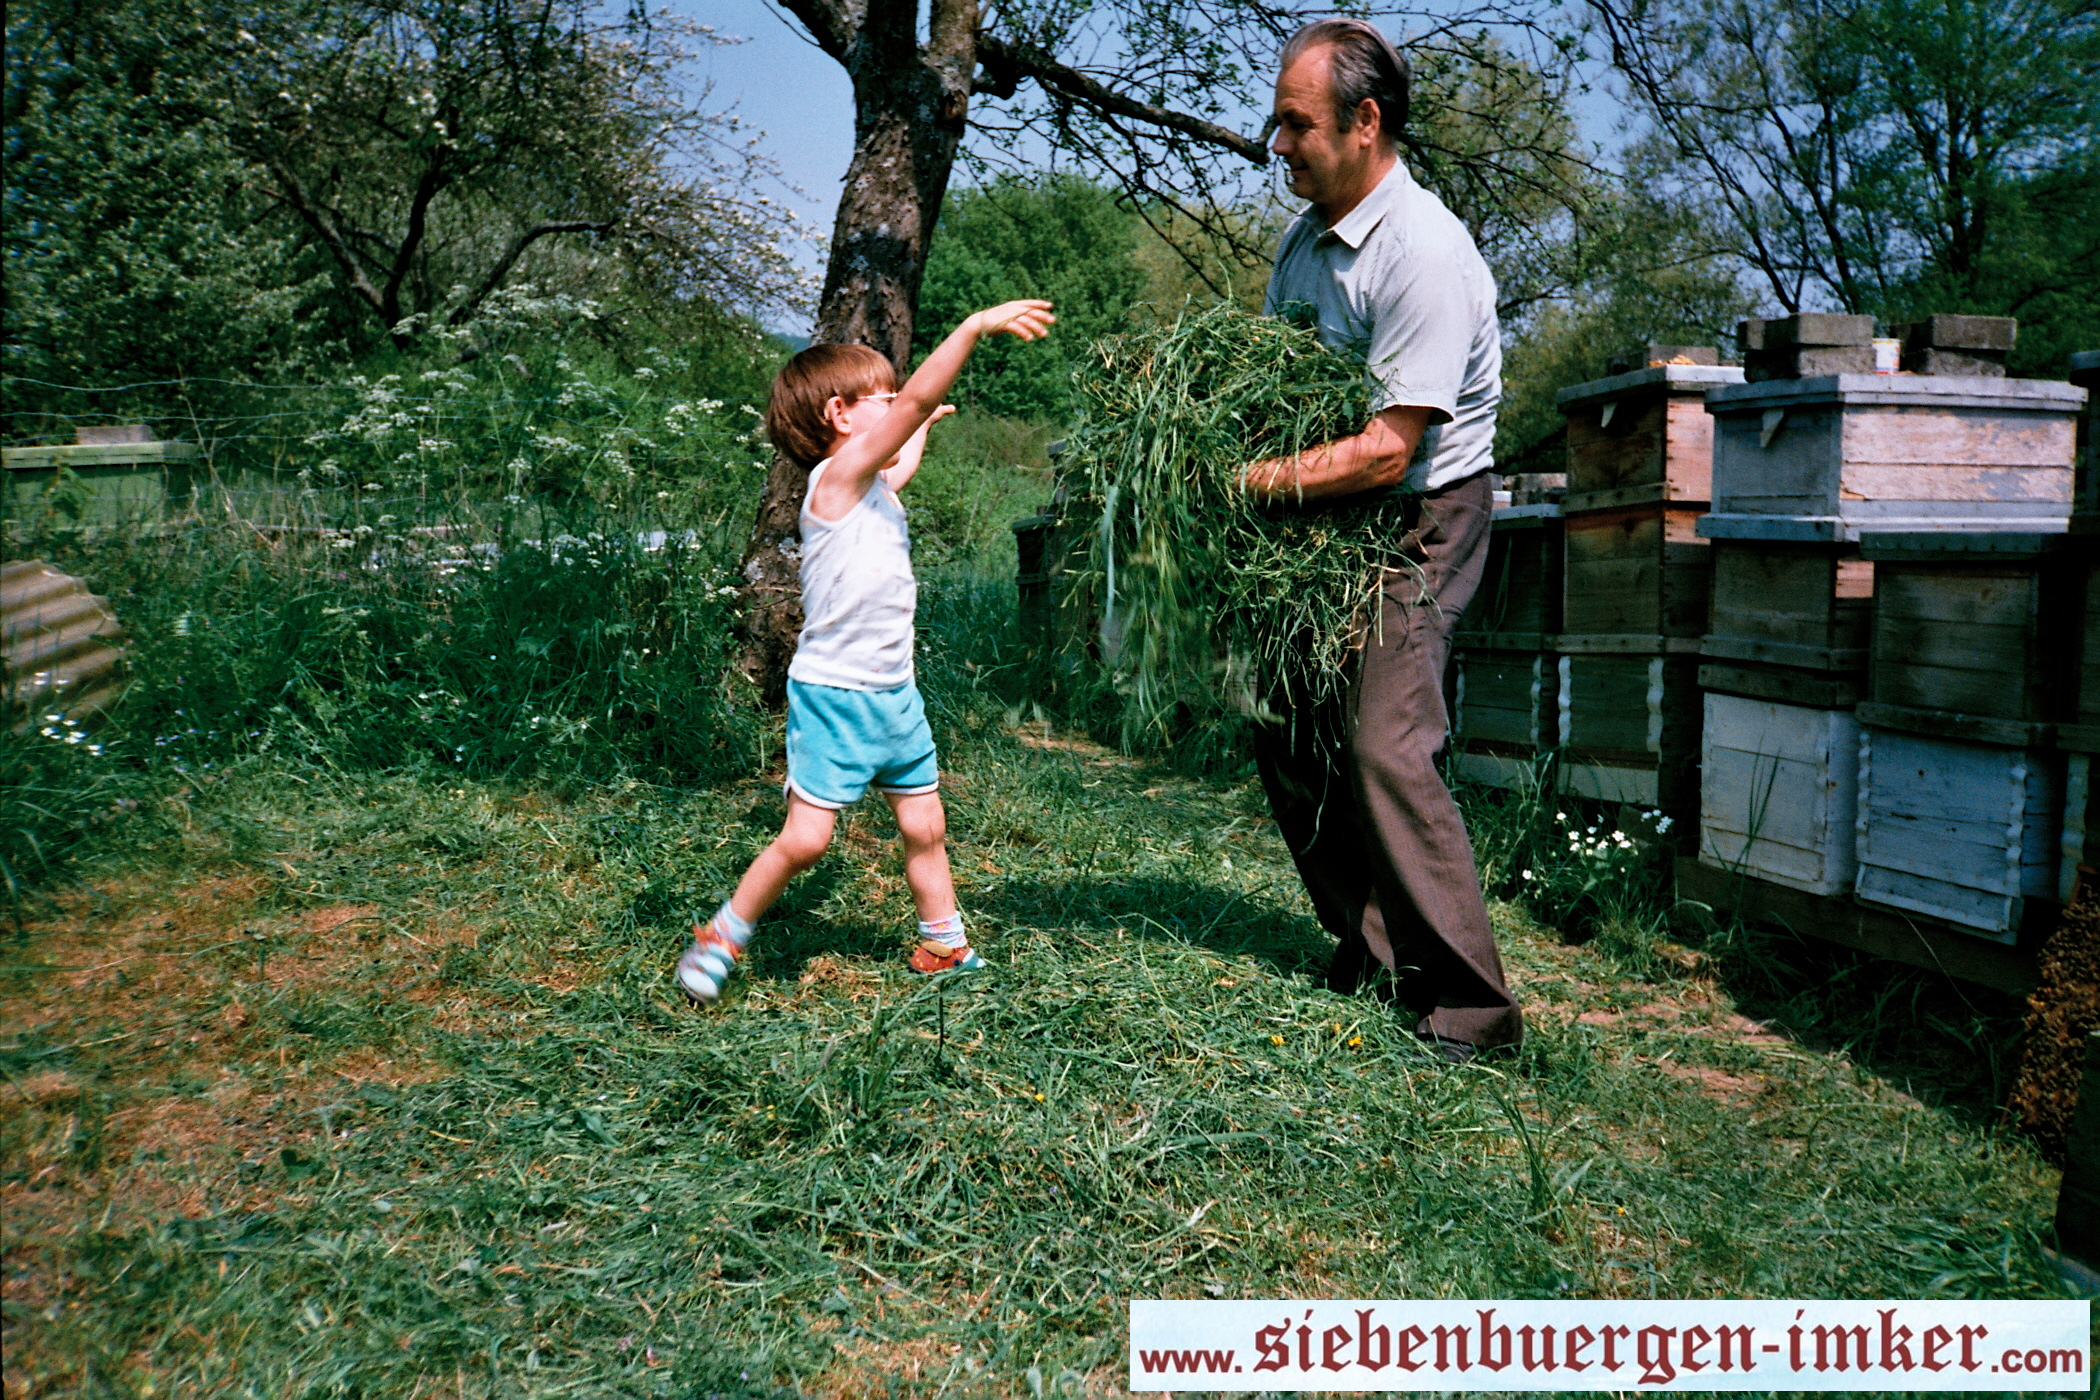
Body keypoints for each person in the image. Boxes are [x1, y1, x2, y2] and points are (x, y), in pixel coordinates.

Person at [1241, 17, 1521, 1060]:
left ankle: (1473, 1010)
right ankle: (1374, 948)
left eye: (1296, 123)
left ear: (1365, 122)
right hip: (1329, 512)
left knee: (1384, 740)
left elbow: (1387, 451)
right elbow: (1280, 382)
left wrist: (1244, 483)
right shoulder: (1305, 239)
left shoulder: (1423, 254)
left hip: (1421, 513)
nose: (1277, 143)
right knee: (1285, 724)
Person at [676, 299, 1057, 1003]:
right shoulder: (834, 481)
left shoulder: (873, 483)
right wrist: (970, 329)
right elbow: (912, 406)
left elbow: (901, 456)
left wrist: (922, 429)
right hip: (835, 694)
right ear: (840, 415)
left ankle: (944, 943)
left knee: (925, 825)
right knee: (806, 842)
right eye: (881, 398)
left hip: (894, 694)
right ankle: (722, 934)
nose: (896, 405)